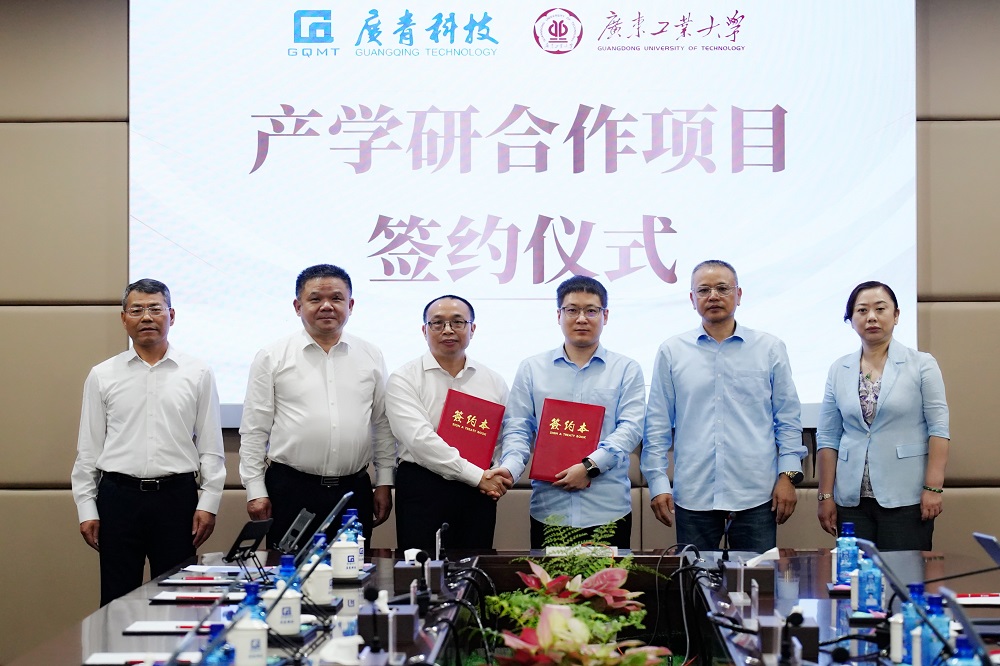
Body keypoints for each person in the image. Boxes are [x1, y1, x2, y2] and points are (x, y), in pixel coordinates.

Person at [71, 279, 226, 606]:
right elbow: (88, 450)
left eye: (155, 309)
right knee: (116, 602)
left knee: (177, 602)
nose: (146, 317)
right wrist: (86, 507)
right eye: (136, 310)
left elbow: (211, 447)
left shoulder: (198, 372)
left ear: (171, 315)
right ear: (123, 318)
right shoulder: (102, 374)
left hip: (176, 499)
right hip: (118, 498)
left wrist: (208, 503)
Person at [642, 260, 805, 553]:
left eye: (722, 288)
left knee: (756, 578)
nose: (713, 296)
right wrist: (657, 482)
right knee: (693, 578)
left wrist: (788, 476)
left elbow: (788, 419)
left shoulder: (769, 348)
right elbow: (657, 424)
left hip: (757, 492)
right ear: (692, 299)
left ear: (738, 294)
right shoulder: (672, 351)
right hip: (694, 493)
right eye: (703, 290)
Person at [239, 264, 395, 547]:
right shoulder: (272, 356)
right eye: (315, 299)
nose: (326, 306)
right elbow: (254, 430)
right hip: (291, 490)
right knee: (288, 571)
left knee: (352, 568)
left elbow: (382, 424)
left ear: (350, 305)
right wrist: (255, 489)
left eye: (336, 298)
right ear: (298, 306)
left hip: (354, 490)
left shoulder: (371, 354)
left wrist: (384, 481)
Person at [491, 276, 645, 549]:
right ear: (559, 315)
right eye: (572, 310)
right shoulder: (532, 369)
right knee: (548, 579)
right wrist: (509, 469)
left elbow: (631, 428)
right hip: (550, 508)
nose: (581, 318)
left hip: (608, 510)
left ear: (605, 315)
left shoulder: (626, 369)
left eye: (591, 310)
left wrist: (590, 467)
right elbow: (518, 428)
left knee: (609, 579)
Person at [816, 281, 949, 550]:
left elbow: (938, 429)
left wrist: (933, 488)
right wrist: (825, 495)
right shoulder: (839, 369)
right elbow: (828, 436)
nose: (871, 317)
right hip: (851, 499)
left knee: (902, 572)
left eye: (880, 309)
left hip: (906, 496)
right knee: (854, 573)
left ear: (896, 315)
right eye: (862, 310)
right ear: (851, 320)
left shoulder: (922, 364)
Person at [386, 295, 511, 553]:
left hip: (479, 490)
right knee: (420, 568)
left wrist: (496, 473)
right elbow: (420, 441)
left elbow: (503, 436)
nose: (448, 330)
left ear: (472, 329)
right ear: (424, 330)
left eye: (457, 322)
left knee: (474, 564)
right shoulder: (404, 378)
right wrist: (478, 477)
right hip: (424, 485)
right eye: (437, 323)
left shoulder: (493, 381)